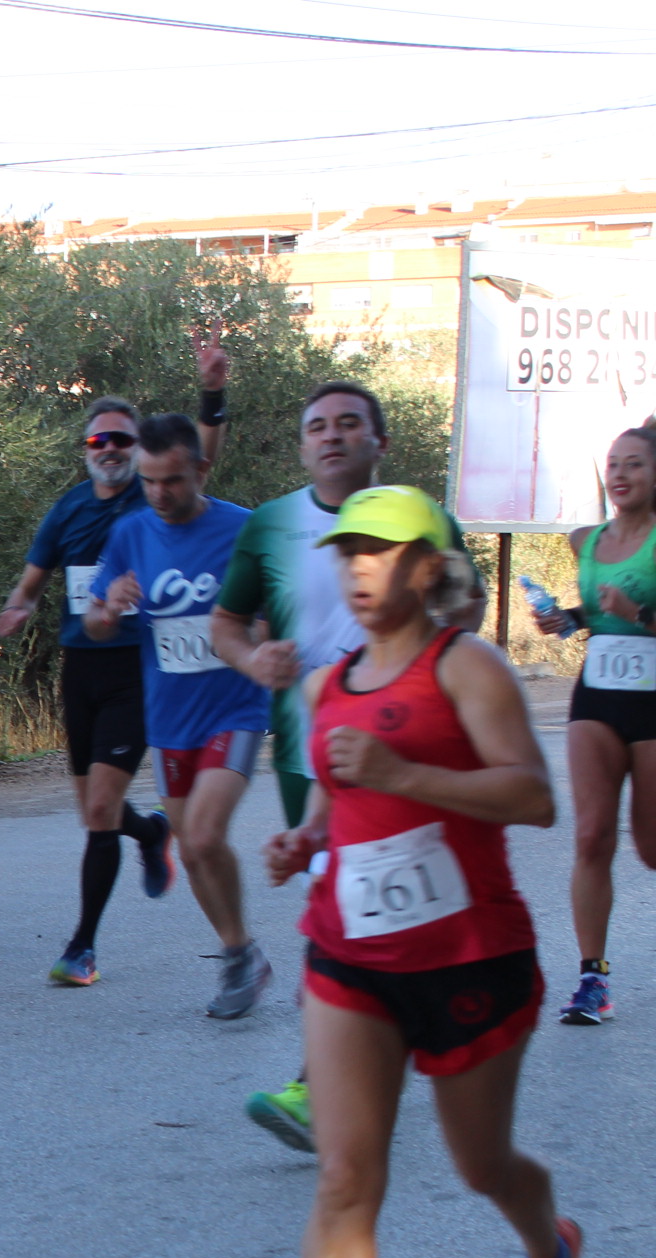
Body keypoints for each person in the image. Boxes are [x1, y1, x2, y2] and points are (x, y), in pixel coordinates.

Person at [256, 484, 578, 1258]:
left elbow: (532, 796)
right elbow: (340, 802)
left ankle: (550, 1249)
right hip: (350, 955)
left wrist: (403, 775)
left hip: (470, 958)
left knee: (483, 1167)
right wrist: (305, 840)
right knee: (347, 1173)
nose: (360, 567)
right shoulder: (327, 685)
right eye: (349, 551)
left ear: (429, 567)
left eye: (384, 551)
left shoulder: (467, 667)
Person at [211, 382, 471, 1149]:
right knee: (351, 914)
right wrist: (253, 659)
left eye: (348, 423)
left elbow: (467, 611)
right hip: (308, 757)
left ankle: (330, 1079)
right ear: (302, 446)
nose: (331, 435)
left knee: (362, 915)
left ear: (378, 443)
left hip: (404, 752)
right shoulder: (271, 524)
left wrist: (421, 656)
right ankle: (369, 1052)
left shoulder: (424, 520)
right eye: (317, 426)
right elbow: (225, 623)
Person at [0, 339, 229, 984]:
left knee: (99, 810)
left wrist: (212, 394)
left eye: (122, 440)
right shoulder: (68, 508)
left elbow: (202, 456)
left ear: (139, 449)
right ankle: (151, 833)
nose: (111, 450)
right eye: (100, 440)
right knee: (95, 811)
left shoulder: (152, 499)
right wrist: (17, 608)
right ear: (86, 448)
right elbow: (33, 580)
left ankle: (83, 947)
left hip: (136, 669)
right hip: (81, 668)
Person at [83, 414, 272, 1013]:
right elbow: (93, 622)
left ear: (201, 470)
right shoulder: (131, 533)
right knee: (190, 850)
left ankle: (239, 960)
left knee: (208, 833)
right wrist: (108, 609)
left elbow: (272, 613)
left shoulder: (243, 529)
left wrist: (258, 643)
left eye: (172, 480)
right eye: (149, 481)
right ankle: (240, 952)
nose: (159, 493)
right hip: (169, 718)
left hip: (234, 709)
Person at [532, 419, 656, 1027]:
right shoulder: (588, 542)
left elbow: (630, 610)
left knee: (651, 847)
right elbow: (597, 614)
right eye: (614, 464)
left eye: (635, 464)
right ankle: (592, 979)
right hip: (597, 697)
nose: (620, 474)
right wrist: (568, 619)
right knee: (591, 837)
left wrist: (640, 613)